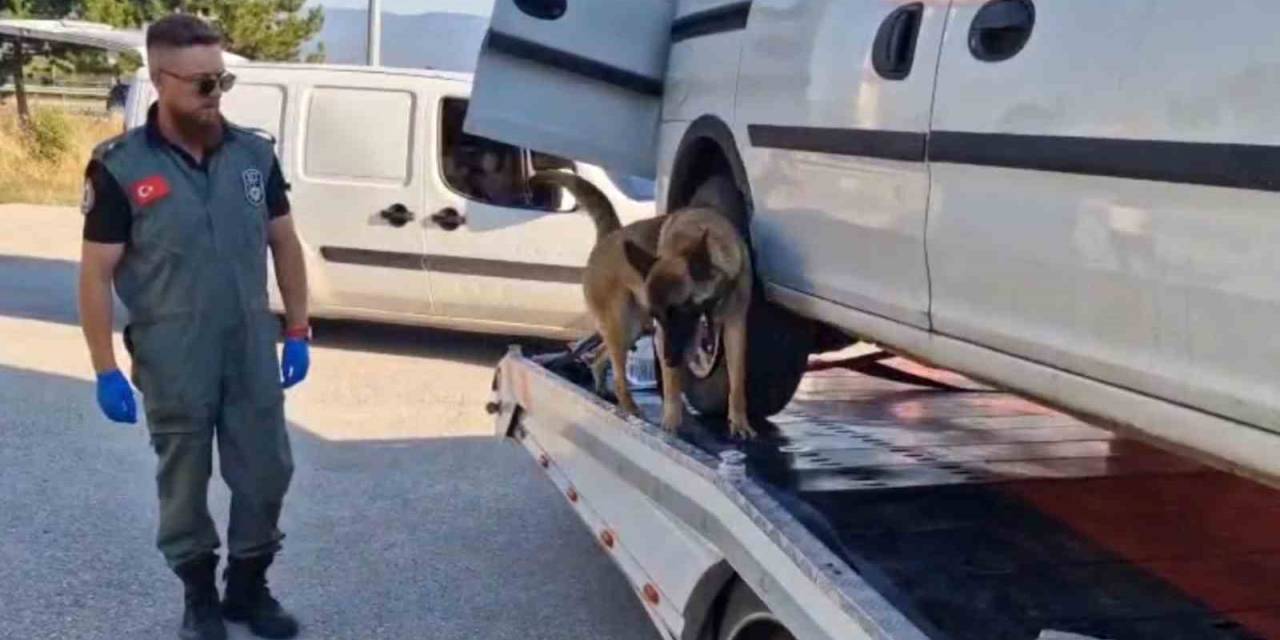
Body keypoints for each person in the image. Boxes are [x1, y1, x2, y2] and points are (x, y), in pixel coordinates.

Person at [77, 14, 310, 640]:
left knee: (267, 472)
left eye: (222, 81)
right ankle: (199, 597)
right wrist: (104, 369)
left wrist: (297, 328)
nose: (215, 96)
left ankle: (249, 588)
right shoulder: (120, 168)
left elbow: (284, 243)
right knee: (183, 479)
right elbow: (96, 275)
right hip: (172, 352)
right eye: (201, 84)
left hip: (250, 347)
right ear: (159, 80)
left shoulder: (254, 153)